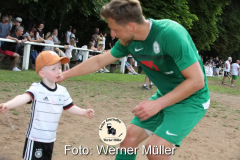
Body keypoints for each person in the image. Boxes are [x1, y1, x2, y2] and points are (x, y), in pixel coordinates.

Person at [58, 0, 210, 159]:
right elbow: (98, 61)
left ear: (131, 26)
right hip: (166, 94)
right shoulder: (128, 41)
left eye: (114, 29)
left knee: (154, 150)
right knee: (127, 140)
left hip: (192, 99)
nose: (112, 34)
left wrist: (158, 104)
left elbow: (196, 81)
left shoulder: (171, 34)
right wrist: (63, 75)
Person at [0, 51, 94, 160]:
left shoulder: (62, 91)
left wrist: (83, 112)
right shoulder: (37, 89)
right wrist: (8, 105)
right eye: (53, 69)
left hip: (50, 139)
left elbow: (70, 107)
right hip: (35, 139)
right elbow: (24, 97)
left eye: (59, 68)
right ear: (42, 73)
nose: (59, 71)